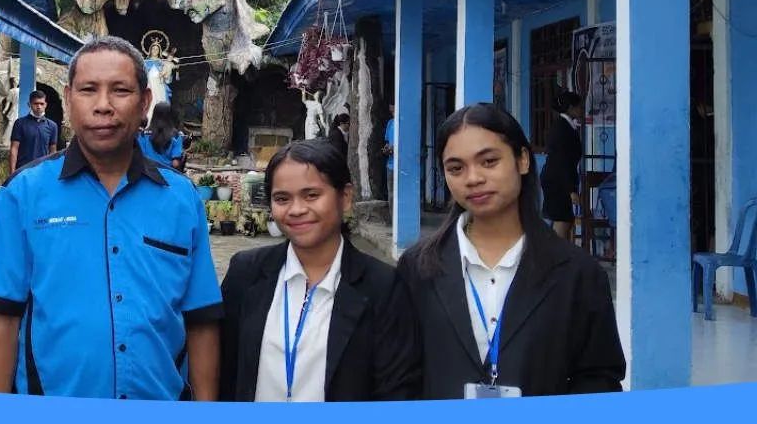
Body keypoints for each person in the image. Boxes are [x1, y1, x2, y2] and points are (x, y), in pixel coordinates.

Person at [0, 35, 222, 400]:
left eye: (120, 90)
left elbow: (201, 321)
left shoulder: (181, 198)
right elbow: (0, 321)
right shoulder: (22, 195)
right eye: (88, 90)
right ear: (69, 97)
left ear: (145, 102)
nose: (103, 106)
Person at [394, 103, 625, 399]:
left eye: (489, 161)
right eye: (456, 168)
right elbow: (400, 375)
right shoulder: (417, 268)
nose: (473, 178)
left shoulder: (578, 273)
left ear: (523, 160)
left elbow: (598, 379)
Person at [218, 138, 421, 402]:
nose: (297, 209)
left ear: (345, 197)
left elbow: (396, 392)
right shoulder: (246, 273)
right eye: (282, 198)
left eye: (311, 195)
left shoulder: (382, 287)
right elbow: (224, 370)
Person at [540, 91, 584, 241]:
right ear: (571, 108)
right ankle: (557, 258)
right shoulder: (563, 128)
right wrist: (571, 189)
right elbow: (563, 161)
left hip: (556, 178)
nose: (581, 110)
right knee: (562, 219)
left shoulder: (565, 126)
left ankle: (556, 256)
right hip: (558, 180)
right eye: (579, 107)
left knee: (563, 219)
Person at [9, 90, 58, 172]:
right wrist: (12, 172)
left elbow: (52, 152)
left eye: (41, 104)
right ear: (29, 104)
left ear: (45, 105)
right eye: (36, 103)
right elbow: (14, 148)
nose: (39, 106)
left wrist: (51, 172)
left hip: (42, 171)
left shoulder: (52, 126)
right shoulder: (20, 123)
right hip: (23, 171)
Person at [139, 102, 185, 170]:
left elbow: (139, 157)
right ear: (170, 116)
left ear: (154, 115)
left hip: (147, 174)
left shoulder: (143, 134)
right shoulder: (176, 136)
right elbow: (175, 164)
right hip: (168, 175)